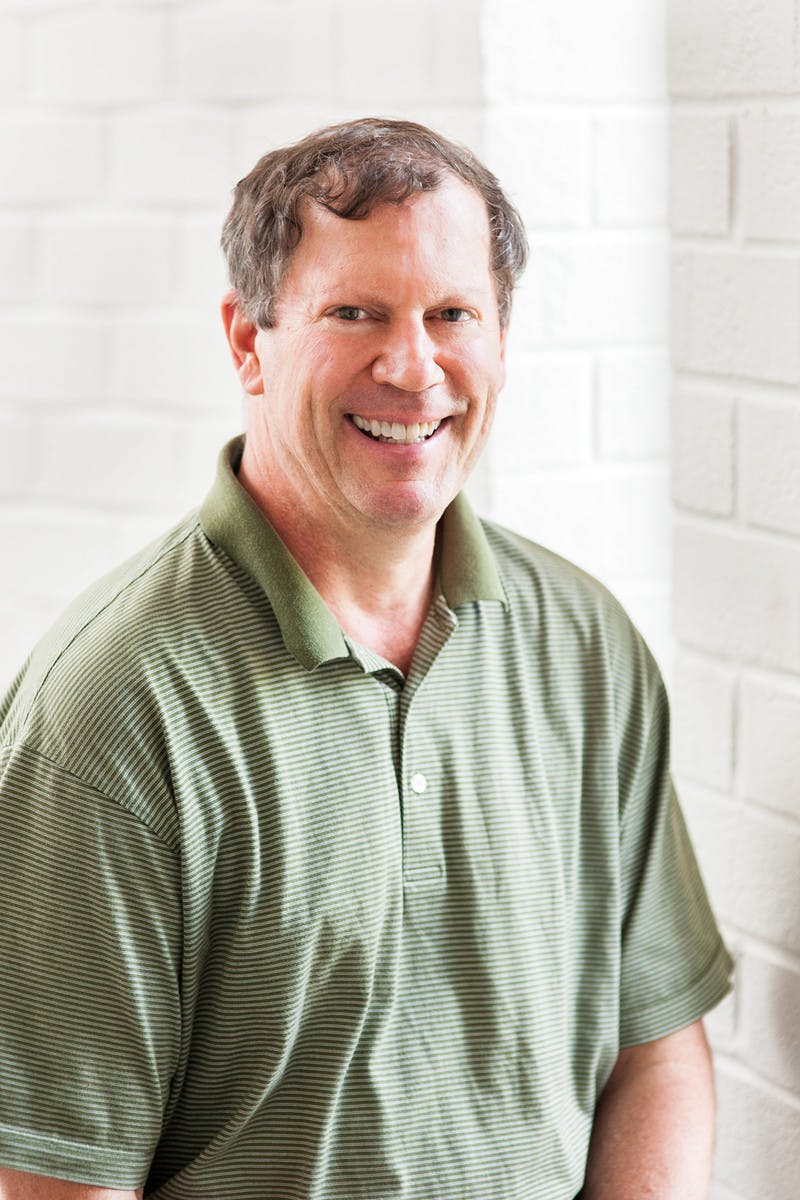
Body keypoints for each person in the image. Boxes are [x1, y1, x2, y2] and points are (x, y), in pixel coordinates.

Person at [0, 118, 731, 1200]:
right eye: (355, 313)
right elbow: (62, 1180)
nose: (412, 366)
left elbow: (656, 1051)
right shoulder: (110, 713)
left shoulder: (585, 646)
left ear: (500, 338)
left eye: (451, 314)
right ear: (248, 342)